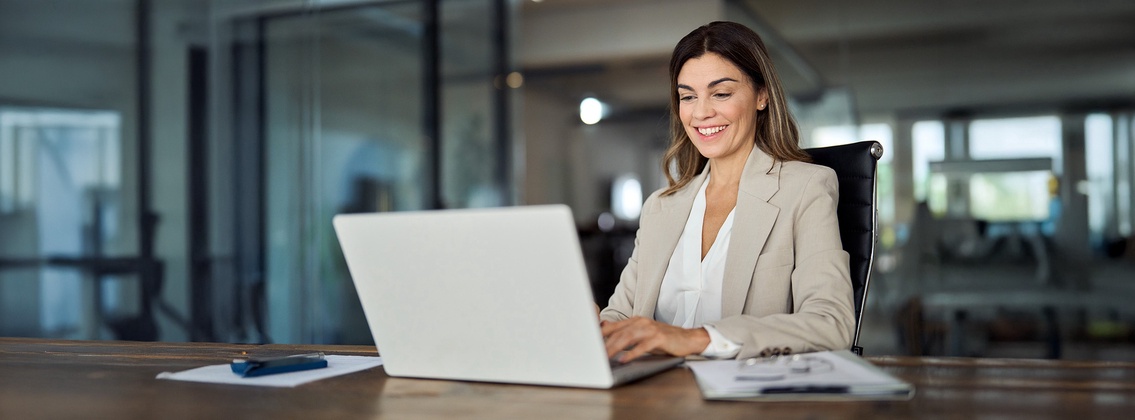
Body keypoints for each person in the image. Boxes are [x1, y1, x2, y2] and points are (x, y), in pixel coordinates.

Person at [599, 21, 855, 362]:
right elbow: (621, 318)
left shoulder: (805, 188)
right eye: (688, 96)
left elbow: (830, 323)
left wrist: (697, 339)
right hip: (655, 396)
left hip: (745, 402)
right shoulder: (661, 207)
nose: (701, 112)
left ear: (761, 96)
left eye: (721, 93)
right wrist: (592, 327)